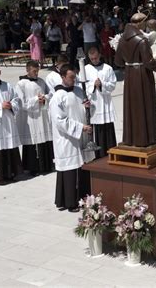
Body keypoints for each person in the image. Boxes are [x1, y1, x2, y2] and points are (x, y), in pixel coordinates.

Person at [114, 12, 156, 147]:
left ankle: (131, 139)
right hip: (142, 75)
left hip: (129, 76)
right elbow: (148, 62)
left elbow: (118, 61)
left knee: (131, 107)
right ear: (140, 23)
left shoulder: (122, 39)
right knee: (145, 105)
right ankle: (145, 139)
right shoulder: (142, 39)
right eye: (144, 22)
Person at [49, 64, 94, 211]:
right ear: (62, 77)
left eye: (74, 77)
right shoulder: (57, 97)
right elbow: (59, 121)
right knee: (70, 170)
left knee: (82, 168)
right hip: (67, 139)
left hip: (81, 136)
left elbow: (86, 110)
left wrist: (88, 107)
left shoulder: (79, 91)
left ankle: (83, 197)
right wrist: (80, 127)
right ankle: (70, 202)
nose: (74, 80)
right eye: (71, 77)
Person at [15, 61, 54, 175]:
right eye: (34, 71)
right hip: (30, 118)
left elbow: (50, 94)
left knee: (45, 140)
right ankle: (33, 167)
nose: (36, 73)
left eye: (37, 70)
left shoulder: (41, 81)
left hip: (42, 116)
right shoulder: (21, 84)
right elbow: (22, 103)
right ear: (27, 70)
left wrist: (44, 98)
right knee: (32, 142)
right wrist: (37, 100)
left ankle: (46, 165)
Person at [82, 47, 117, 158]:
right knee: (96, 129)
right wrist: (93, 85)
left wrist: (102, 84)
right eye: (92, 59)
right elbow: (82, 86)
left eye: (96, 58)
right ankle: (98, 155)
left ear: (100, 55)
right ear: (89, 58)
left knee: (108, 128)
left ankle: (111, 151)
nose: (94, 60)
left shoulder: (108, 68)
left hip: (105, 103)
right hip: (94, 104)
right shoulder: (85, 69)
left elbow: (113, 85)